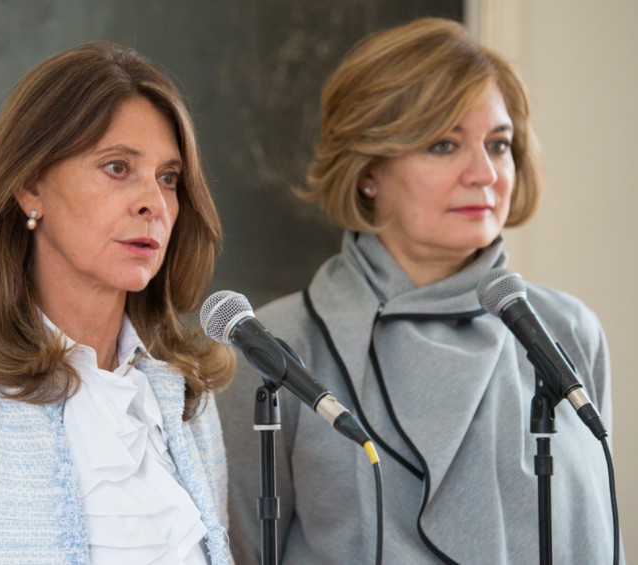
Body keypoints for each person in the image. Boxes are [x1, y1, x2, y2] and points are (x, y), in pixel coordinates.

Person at [219, 17, 619, 564]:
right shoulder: (275, 348)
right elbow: (236, 548)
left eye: (499, 145)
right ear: (369, 171)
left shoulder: (568, 329)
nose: (484, 173)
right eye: (443, 145)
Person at [0, 41, 235, 564]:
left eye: (168, 178)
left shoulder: (184, 399)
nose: (154, 201)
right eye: (117, 167)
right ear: (30, 186)